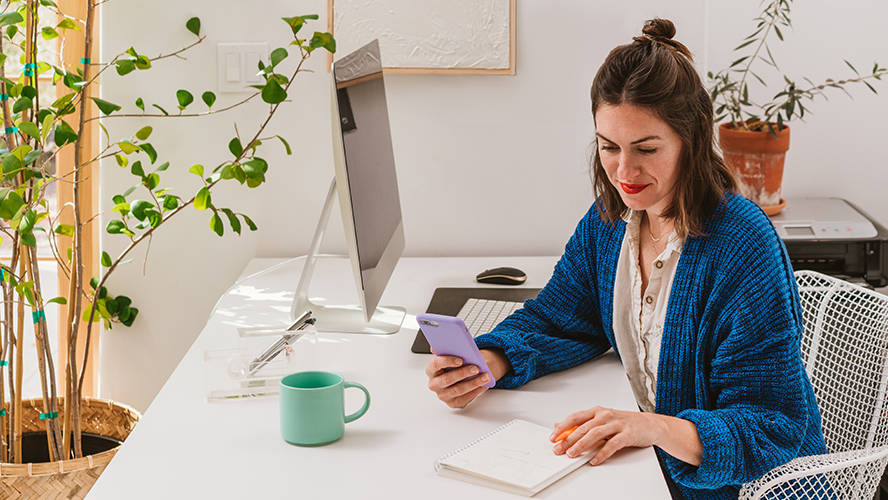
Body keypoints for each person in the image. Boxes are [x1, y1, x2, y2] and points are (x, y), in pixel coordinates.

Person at [424, 18, 827, 500]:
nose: (624, 171)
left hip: (742, 489)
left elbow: (772, 426)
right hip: (649, 470)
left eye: (646, 148)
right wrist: (492, 361)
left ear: (693, 136)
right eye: (608, 147)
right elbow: (562, 317)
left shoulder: (742, 246)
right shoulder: (609, 221)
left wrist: (652, 428)